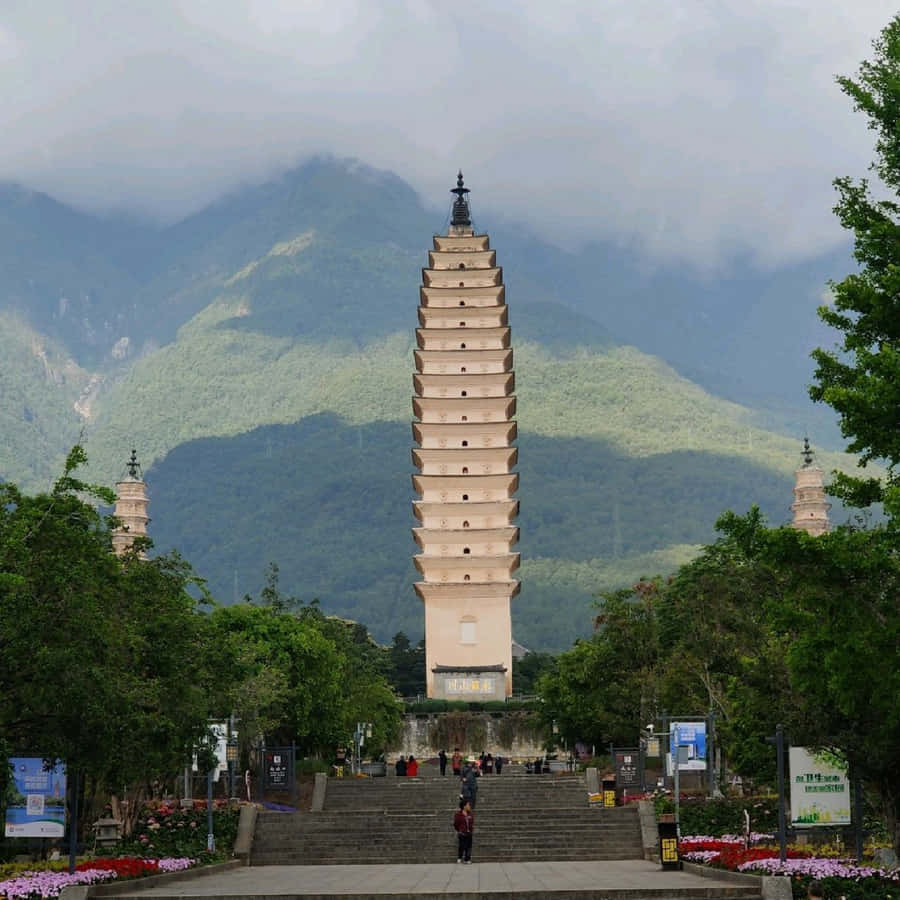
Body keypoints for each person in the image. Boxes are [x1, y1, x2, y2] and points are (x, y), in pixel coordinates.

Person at [453, 798, 474, 864]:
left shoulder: (470, 814)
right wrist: (459, 830)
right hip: (462, 833)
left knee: (469, 847)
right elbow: (456, 824)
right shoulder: (458, 815)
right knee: (462, 846)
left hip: (469, 833)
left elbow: (472, 822)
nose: (469, 806)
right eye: (468, 805)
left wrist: (471, 830)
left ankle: (467, 859)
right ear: (464, 806)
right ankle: (459, 857)